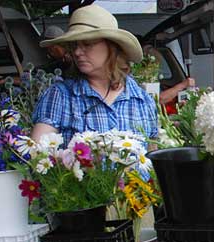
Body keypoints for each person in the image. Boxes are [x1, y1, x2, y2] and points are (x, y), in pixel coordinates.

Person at [32, 4, 156, 143]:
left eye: (87, 43)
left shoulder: (142, 100)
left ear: (112, 47)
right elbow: (39, 155)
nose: (77, 52)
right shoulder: (60, 96)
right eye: (75, 46)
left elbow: (152, 154)